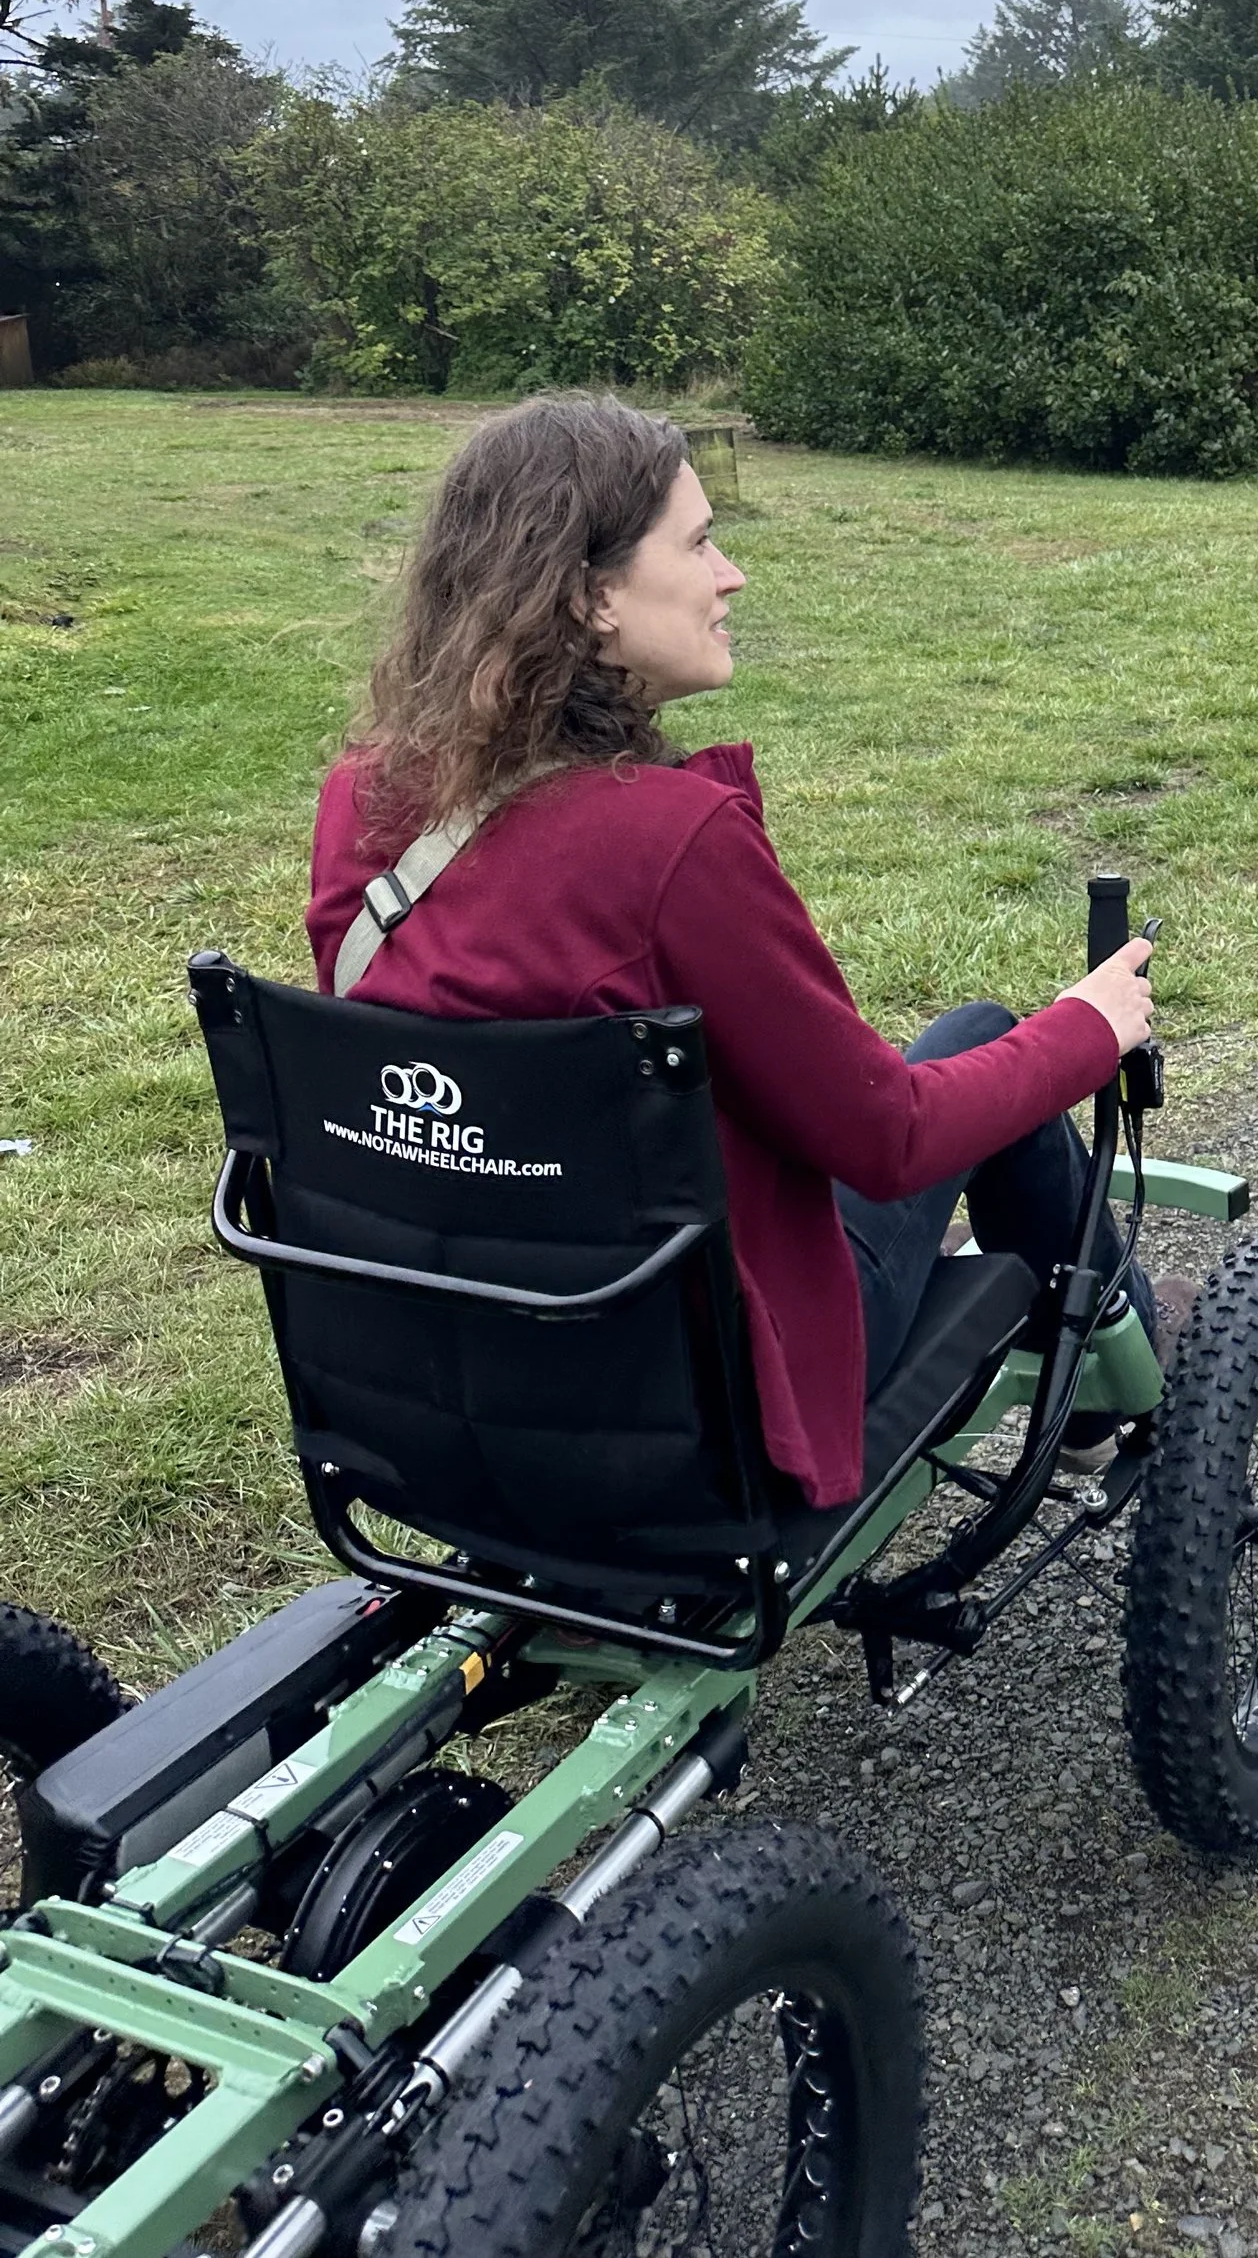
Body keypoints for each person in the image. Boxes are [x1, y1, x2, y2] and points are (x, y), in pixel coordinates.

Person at [304, 391, 1162, 1512]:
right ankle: (1135, 1386)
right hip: (703, 1404)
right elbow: (889, 1139)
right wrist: (1088, 1031)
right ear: (588, 595)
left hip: (445, 1373)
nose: (731, 576)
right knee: (995, 1042)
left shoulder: (360, 805)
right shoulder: (664, 844)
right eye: (701, 543)